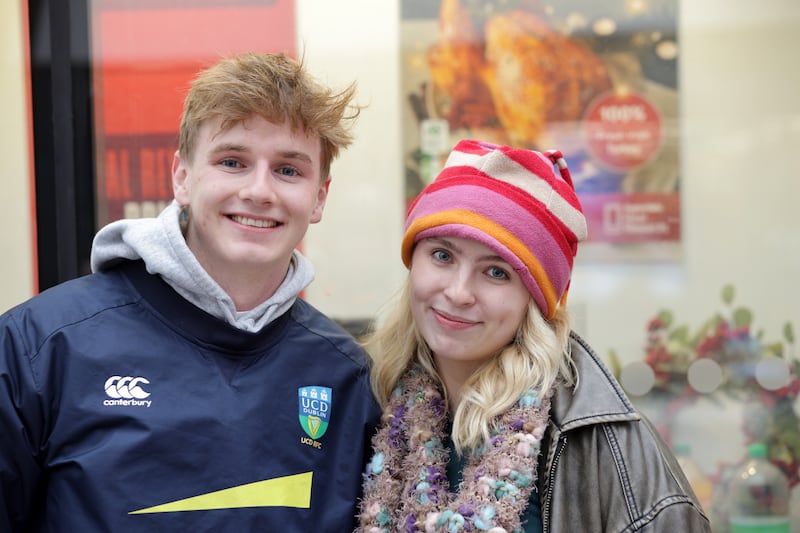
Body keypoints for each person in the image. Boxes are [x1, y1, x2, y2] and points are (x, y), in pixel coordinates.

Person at [0, 51, 380, 532]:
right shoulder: (40, 349)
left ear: (319, 197)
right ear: (182, 176)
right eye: (232, 161)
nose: (260, 191)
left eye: (288, 170)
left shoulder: (346, 377)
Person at [357, 139, 711, 532]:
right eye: (442, 255)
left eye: (496, 272)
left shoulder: (602, 441)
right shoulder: (371, 404)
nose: (458, 292)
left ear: (535, 301)